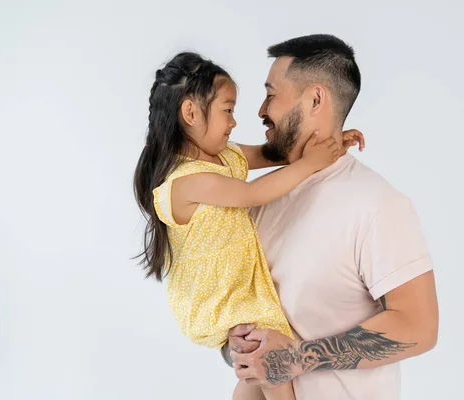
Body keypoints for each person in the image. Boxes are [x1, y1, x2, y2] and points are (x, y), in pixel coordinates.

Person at [133, 51, 365, 400]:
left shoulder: (225, 155)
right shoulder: (185, 181)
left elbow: (276, 154)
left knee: (253, 377)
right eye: (227, 110)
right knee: (274, 367)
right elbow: (253, 193)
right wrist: (311, 165)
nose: (234, 122)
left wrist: (331, 142)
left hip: (243, 294)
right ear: (191, 113)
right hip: (221, 303)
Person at [222, 34, 439, 400]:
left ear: (315, 99)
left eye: (271, 94)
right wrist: (236, 347)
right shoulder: (260, 200)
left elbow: (419, 325)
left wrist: (296, 359)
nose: (260, 110)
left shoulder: (375, 204)